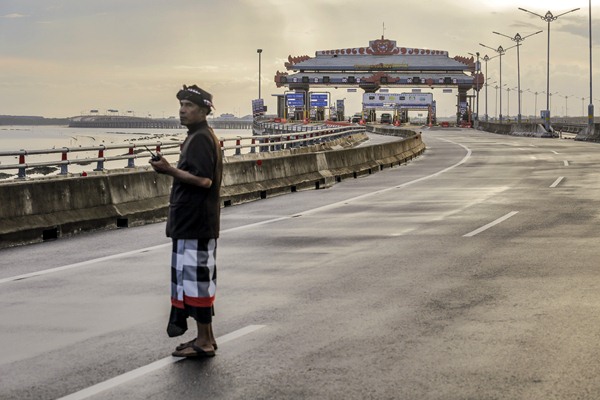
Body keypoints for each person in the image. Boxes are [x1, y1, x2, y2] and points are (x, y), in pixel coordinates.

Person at [149, 84, 223, 358]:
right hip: (193, 221)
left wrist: (169, 170)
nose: (182, 110)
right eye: (181, 105)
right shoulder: (199, 136)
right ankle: (207, 337)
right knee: (195, 280)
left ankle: (203, 342)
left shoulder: (202, 137)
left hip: (196, 222)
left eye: (189, 105)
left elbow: (204, 180)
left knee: (196, 282)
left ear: (204, 110)